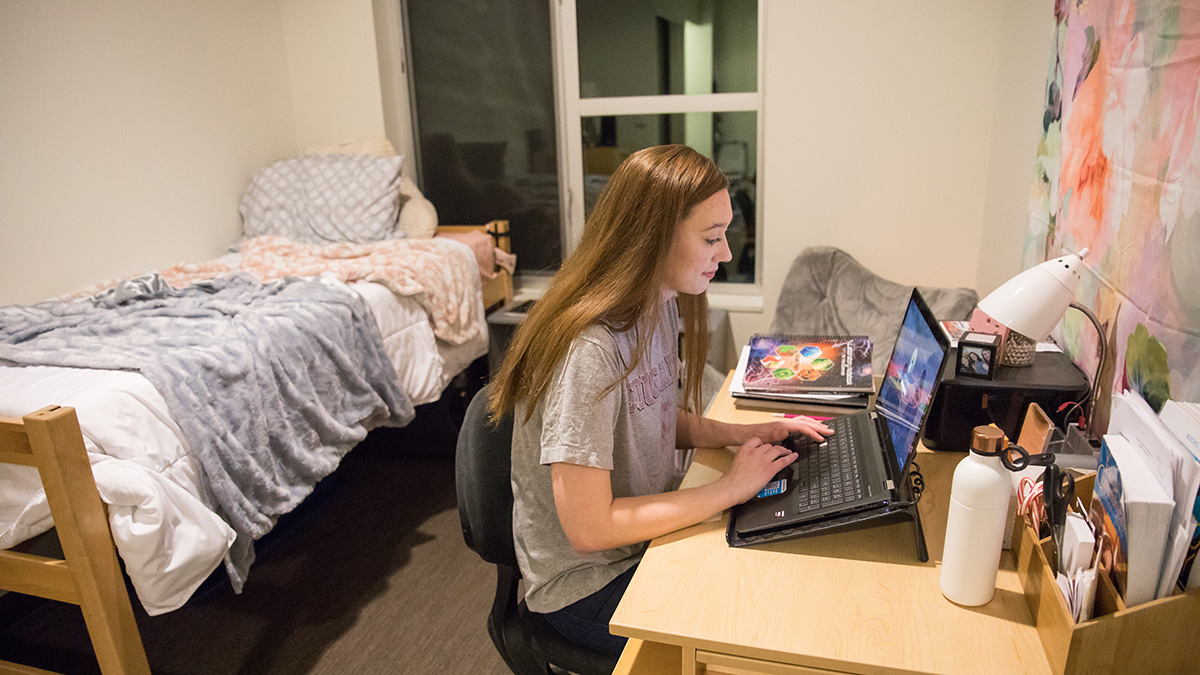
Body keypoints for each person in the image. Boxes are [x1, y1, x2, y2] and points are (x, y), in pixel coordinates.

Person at [487, 145, 833, 657]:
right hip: (588, 583)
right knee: (757, 633)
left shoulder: (657, 301)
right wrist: (731, 488)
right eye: (712, 238)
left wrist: (742, 435)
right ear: (652, 238)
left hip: (639, 545)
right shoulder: (589, 350)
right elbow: (588, 528)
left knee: (779, 573)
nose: (727, 254)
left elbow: (654, 414)